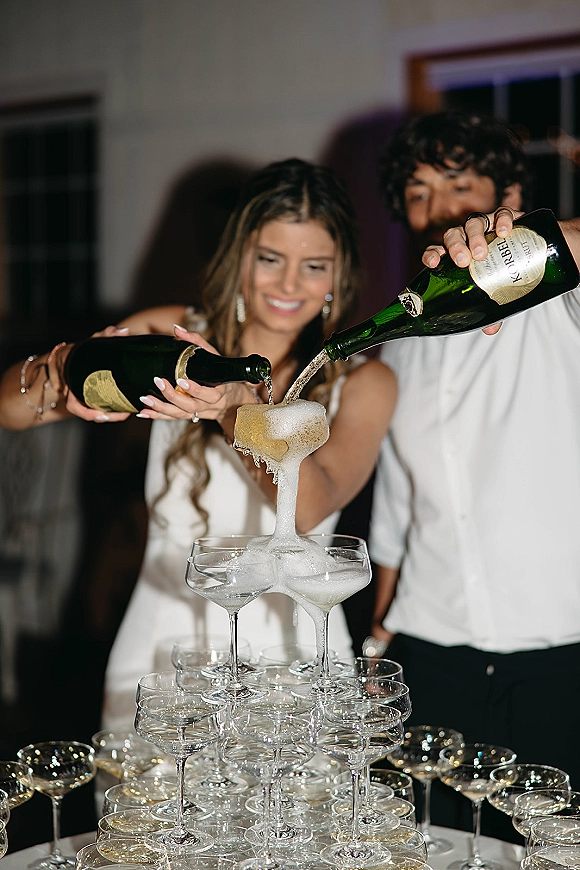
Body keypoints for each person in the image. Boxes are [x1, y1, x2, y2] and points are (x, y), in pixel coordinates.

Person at [0, 158, 397, 728]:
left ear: (340, 277)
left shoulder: (365, 382)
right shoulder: (174, 336)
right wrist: (57, 369)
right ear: (238, 257)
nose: (289, 284)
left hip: (296, 655)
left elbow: (311, 506)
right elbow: (11, 410)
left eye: (314, 266)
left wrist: (235, 408)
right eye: (269, 259)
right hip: (167, 647)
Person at [368, 111, 580, 832]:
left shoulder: (565, 304)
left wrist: (531, 245)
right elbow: (398, 510)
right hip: (432, 658)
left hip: (562, 657)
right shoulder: (398, 341)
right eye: (421, 192)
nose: (442, 209)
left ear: (510, 194)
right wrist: (378, 646)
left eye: (461, 184)